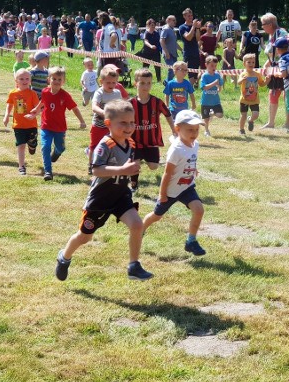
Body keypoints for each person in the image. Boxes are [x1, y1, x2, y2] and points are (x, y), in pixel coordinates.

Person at [55, 100, 153, 282]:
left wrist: (133, 170)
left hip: (121, 196)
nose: (129, 127)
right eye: (123, 123)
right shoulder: (105, 144)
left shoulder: (131, 142)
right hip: (100, 199)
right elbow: (96, 170)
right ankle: (64, 256)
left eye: (131, 122)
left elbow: (127, 165)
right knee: (85, 237)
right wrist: (122, 170)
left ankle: (133, 265)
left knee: (137, 225)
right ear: (108, 123)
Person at [141, 110, 208, 257]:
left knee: (199, 210)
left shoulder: (194, 144)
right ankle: (141, 229)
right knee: (156, 216)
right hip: (170, 191)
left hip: (187, 187)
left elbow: (191, 158)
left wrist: (193, 169)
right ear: (178, 129)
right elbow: (167, 173)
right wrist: (162, 194)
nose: (194, 133)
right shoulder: (176, 150)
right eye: (190, 130)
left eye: (196, 130)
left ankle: (191, 241)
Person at [24, 66, 87, 181]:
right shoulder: (45, 91)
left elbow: (75, 108)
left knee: (61, 148)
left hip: (60, 128)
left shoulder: (65, 95)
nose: (57, 82)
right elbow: (43, 101)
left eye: (59, 79)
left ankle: (57, 152)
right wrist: (36, 110)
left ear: (63, 81)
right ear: (49, 79)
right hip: (46, 126)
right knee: (45, 147)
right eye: (54, 79)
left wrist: (82, 121)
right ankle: (48, 171)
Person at [129, 69, 173, 191]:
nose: (146, 86)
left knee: (153, 166)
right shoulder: (130, 103)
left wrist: (174, 129)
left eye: (149, 83)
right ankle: (133, 184)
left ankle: (140, 160)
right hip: (135, 141)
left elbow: (168, 114)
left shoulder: (156, 102)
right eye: (142, 83)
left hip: (151, 142)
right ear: (135, 83)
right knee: (135, 164)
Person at [3, 68, 40, 175]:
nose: (24, 81)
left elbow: (38, 108)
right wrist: (6, 116)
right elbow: (9, 105)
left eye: (27, 79)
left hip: (31, 125)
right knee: (21, 145)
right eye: (21, 79)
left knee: (32, 143)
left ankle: (32, 144)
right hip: (18, 125)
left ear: (30, 81)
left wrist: (33, 115)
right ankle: (21, 167)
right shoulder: (13, 93)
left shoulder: (32, 94)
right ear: (16, 81)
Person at [89, 66, 124, 173]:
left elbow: (120, 107)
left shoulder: (117, 93)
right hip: (98, 125)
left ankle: (109, 164)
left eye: (114, 83)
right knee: (94, 146)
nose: (111, 85)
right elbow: (94, 107)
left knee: (112, 146)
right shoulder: (99, 93)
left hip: (112, 127)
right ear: (101, 81)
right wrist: (105, 113)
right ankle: (91, 165)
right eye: (108, 82)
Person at [260, 12, 289, 130]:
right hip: (274, 68)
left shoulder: (281, 33)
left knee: (286, 94)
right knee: (273, 94)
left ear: (270, 24)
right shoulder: (271, 35)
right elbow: (273, 55)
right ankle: (271, 123)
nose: (262, 27)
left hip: (284, 69)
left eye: (263, 24)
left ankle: (288, 123)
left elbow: (285, 52)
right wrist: (266, 65)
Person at [238, 53, 268, 134]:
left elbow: (262, 84)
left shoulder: (257, 74)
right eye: (249, 62)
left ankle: (250, 120)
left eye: (253, 62)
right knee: (243, 116)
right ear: (244, 64)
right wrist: (242, 80)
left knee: (256, 115)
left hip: (254, 99)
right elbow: (238, 82)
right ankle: (241, 129)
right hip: (244, 99)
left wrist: (267, 80)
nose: (251, 64)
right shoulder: (243, 74)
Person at [199, 55, 224, 137]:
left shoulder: (217, 75)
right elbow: (204, 87)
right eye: (212, 65)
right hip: (206, 101)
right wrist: (214, 83)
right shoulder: (204, 76)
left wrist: (219, 87)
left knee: (220, 115)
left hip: (215, 101)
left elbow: (220, 86)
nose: (214, 67)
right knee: (206, 119)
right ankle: (206, 131)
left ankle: (212, 114)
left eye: (215, 66)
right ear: (206, 65)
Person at [178, 8, 201, 83]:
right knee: (190, 74)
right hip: (188, 53)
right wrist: (193, 27)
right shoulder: (182, 27)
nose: (191, 17)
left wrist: (197, 28)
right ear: (184, 16)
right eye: (188, 16)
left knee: (195, 74)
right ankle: (189, 91)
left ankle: (192, 88)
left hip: (196, 52)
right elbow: (188, 38)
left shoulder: (194, 26)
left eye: (191, 16)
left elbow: (198, 39)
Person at [160, 15, 178, 82]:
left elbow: (174, 42)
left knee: (176, 69)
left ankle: (166, 81)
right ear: (168, 21)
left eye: (175, 20)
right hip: (168, 54)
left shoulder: (172, 30)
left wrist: (181, 49)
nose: (175, 22)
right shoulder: (166, 29)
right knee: (171, 69)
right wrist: (166, 52)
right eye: (173, 20)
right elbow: (161, 41)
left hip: (174, 54)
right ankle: (168, 84)